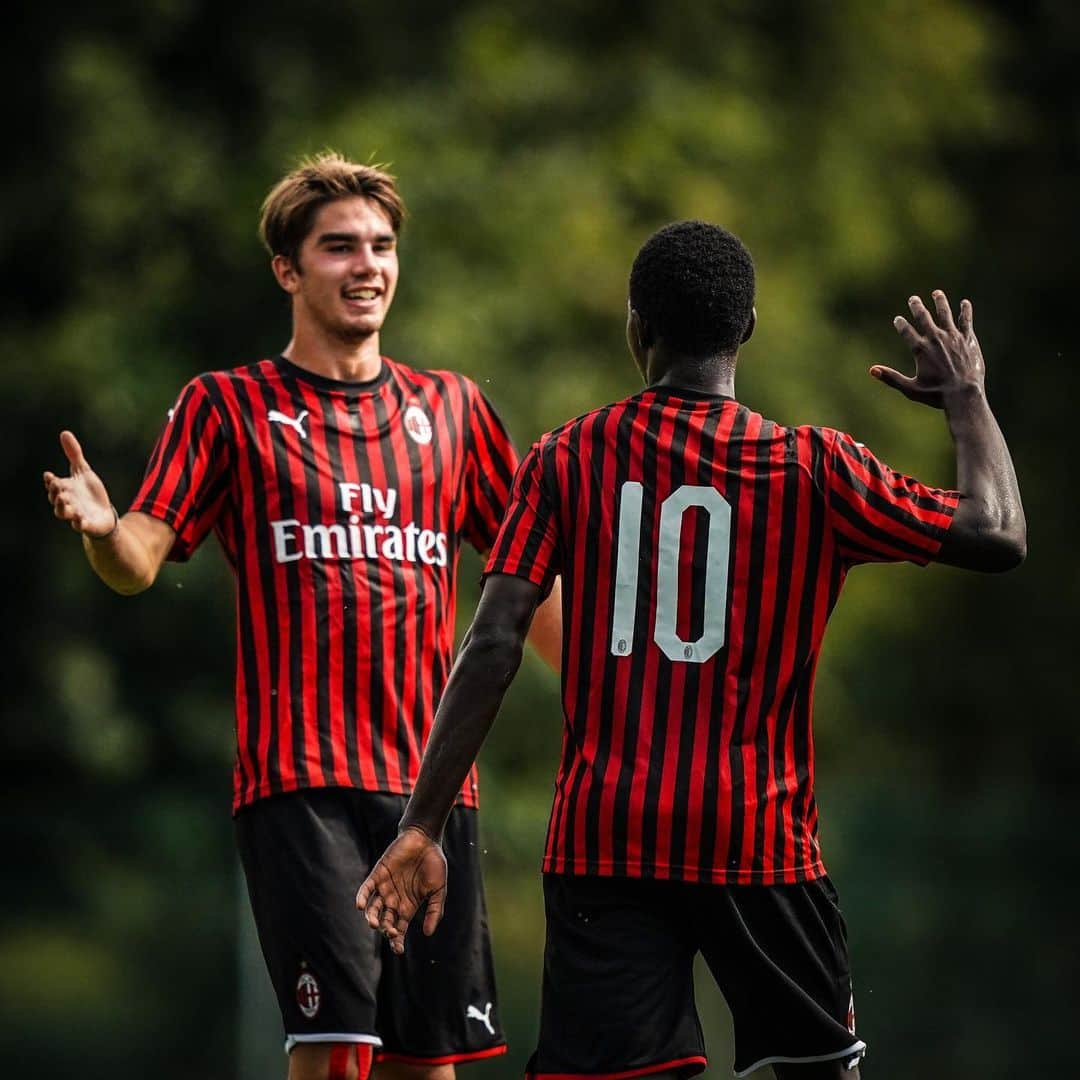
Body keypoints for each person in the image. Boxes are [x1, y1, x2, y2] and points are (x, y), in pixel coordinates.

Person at [355, 221, 1026, 1079]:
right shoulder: (814, 468)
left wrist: (422, 824)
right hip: (761, 841)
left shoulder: (565, 458)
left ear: (638, 327)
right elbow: (998, 533)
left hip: (606, 839)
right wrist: (967, 397)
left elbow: (492, 641)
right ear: (747, 330)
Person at [42, 152, 561, 1080]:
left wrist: (618, 688)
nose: (368, 265)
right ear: (288, 269)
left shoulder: (452, 409)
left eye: (382, 246)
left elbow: (527, 589)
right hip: (301, 784)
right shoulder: (226, 407)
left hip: (433, 791)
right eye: (339, 248)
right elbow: (138, 562)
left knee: (426, 1062)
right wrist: (100, 528)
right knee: (332, 1051)